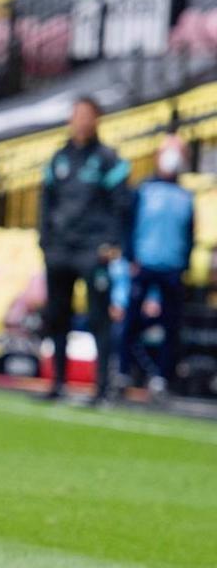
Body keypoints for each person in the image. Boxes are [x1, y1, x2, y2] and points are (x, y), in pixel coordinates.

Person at [37, 96, 129, 405]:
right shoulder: (58, 159)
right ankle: (57, 383)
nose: (81, 121)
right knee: (56, 317)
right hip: (60, 249)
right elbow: (46, 202)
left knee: (98, 319)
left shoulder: (108, 159)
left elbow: (121, 206)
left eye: (86, 115)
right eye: (76, 115)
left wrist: (111, 243)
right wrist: (46, 242)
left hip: (92, 250)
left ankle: (101, 387)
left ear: (97, 119)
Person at [116, 135, 195, 400]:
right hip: (145, 264)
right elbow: (129, 226)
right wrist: (131, 259)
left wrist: (183, 264)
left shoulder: (185, 196)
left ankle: (162, 376)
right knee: (131, 321)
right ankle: (124, 370)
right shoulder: (144, 191)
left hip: (172, 268)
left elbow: (190, 234)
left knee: (170, 326)